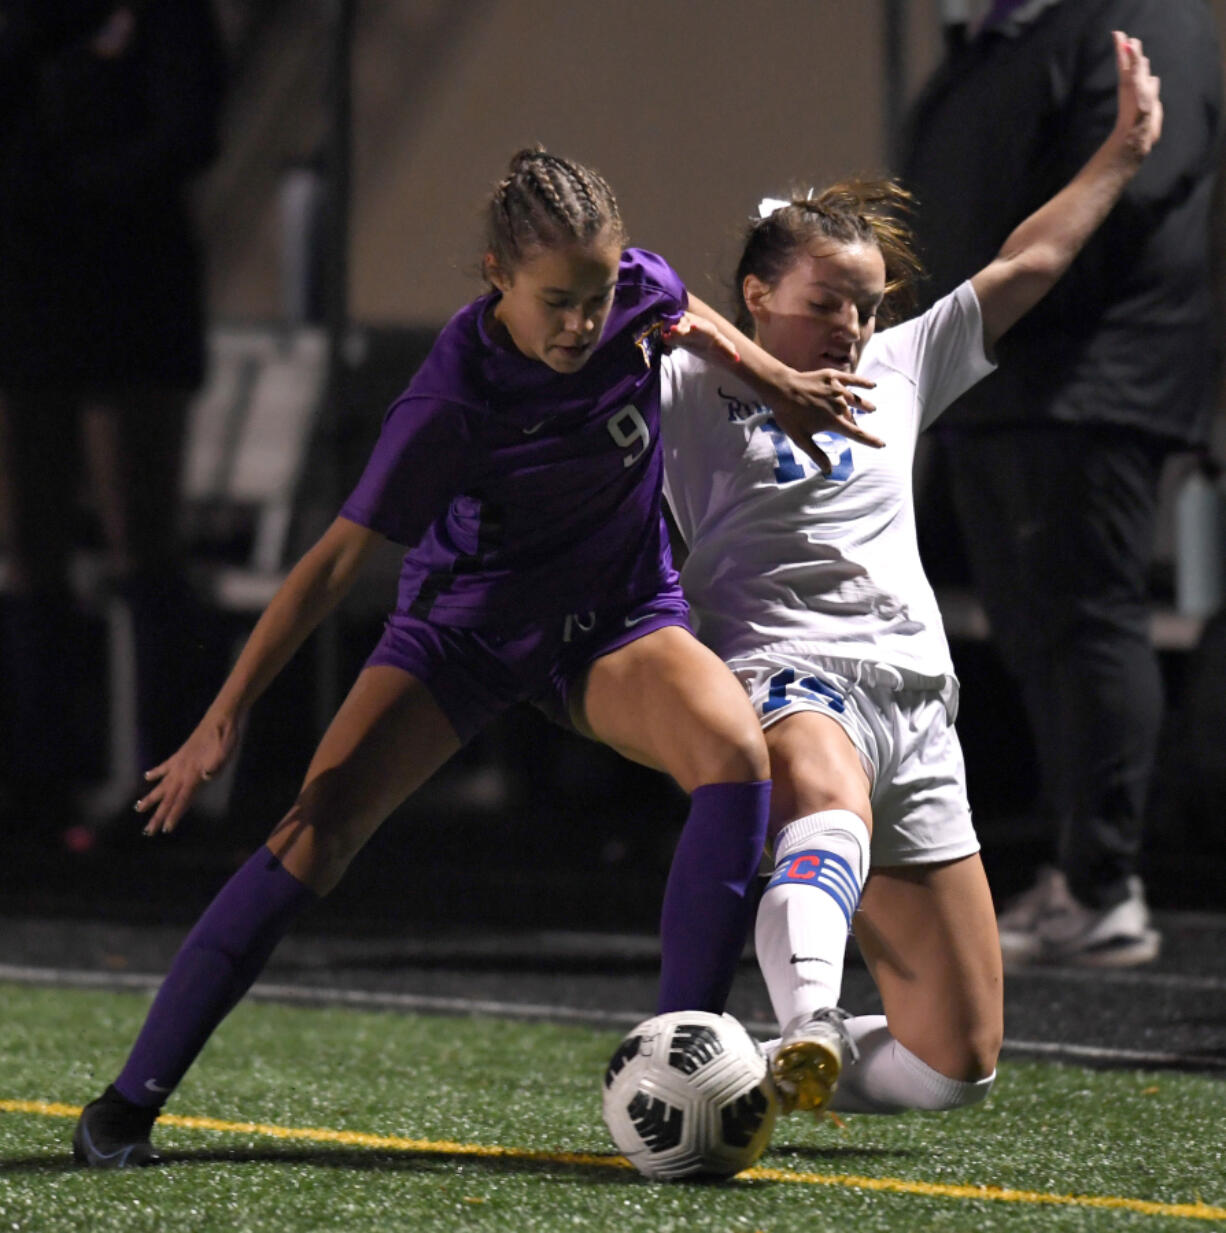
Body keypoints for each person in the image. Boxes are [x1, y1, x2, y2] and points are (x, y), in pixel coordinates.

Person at [70, 147, 883, 1167]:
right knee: (313, 838)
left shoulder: (633, 288)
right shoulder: (451, 399)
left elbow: (680, 313)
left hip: (616, 621)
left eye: (595, 298)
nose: (582, 325)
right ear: (495, 273)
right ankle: (125, 1104)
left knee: (732, 754)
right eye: (556, 302)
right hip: (468, 635)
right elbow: (329, 568)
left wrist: (770, 377)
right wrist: (223, 712)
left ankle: (681, 1059)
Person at [658, 31, 1161, 1116]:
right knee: (825, 809)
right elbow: (613, 286)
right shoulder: (687, 385)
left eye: (869, 302)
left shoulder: (895, 368)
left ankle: (754, 1073)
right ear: (754, 291)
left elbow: (1027, 264)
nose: (854, 325)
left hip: (919, 706)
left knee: (954, 1070)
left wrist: (1119, 152)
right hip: (785, 673)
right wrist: (747, 362)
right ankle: (807, 1025)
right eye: (828, 299)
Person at [901, 0, 1223, 966]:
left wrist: (998, 308)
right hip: (1003, 378)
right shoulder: (1002, 34)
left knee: (1087, 617)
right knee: (1040, 626)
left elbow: (1138, 183)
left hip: (1084, 379)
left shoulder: (1137, 16)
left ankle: (1102, 883)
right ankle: (1078, 870)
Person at [0, 0, 226, 830]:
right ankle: (38, 776)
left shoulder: (165, 18)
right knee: (30, 545)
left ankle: (160, 779)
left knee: (142, 539)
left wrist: (88, 187)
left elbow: (190, 129)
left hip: (131, 288)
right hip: (28, 283)